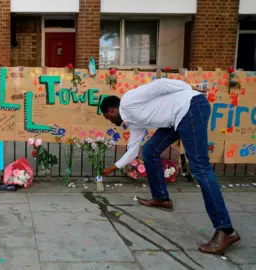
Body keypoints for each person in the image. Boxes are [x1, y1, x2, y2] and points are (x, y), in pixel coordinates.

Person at [100, 78, 240, 255]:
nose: (110, 122)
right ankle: (162, 198)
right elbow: (133, 150)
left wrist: (190, 87)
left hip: (190, 108)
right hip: (176, 118)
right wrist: (111, 168)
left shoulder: (128, 101)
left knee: (200, 168)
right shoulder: (134, 121)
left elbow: (160, 85)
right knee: (150, 150)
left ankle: (226, 230)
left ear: (111, 110)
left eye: (108, 117)